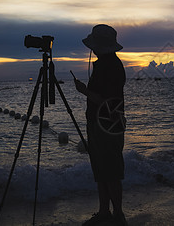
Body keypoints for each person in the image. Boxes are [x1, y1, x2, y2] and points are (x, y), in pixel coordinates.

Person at [74, 24, 127, 226]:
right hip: (99, 122)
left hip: (108, 125)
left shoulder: (111, 66)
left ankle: (118, 214)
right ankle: (105, 211)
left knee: (111, 171)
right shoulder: (105, 63)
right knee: (101, 169)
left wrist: (84, 91)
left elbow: (108, 101)